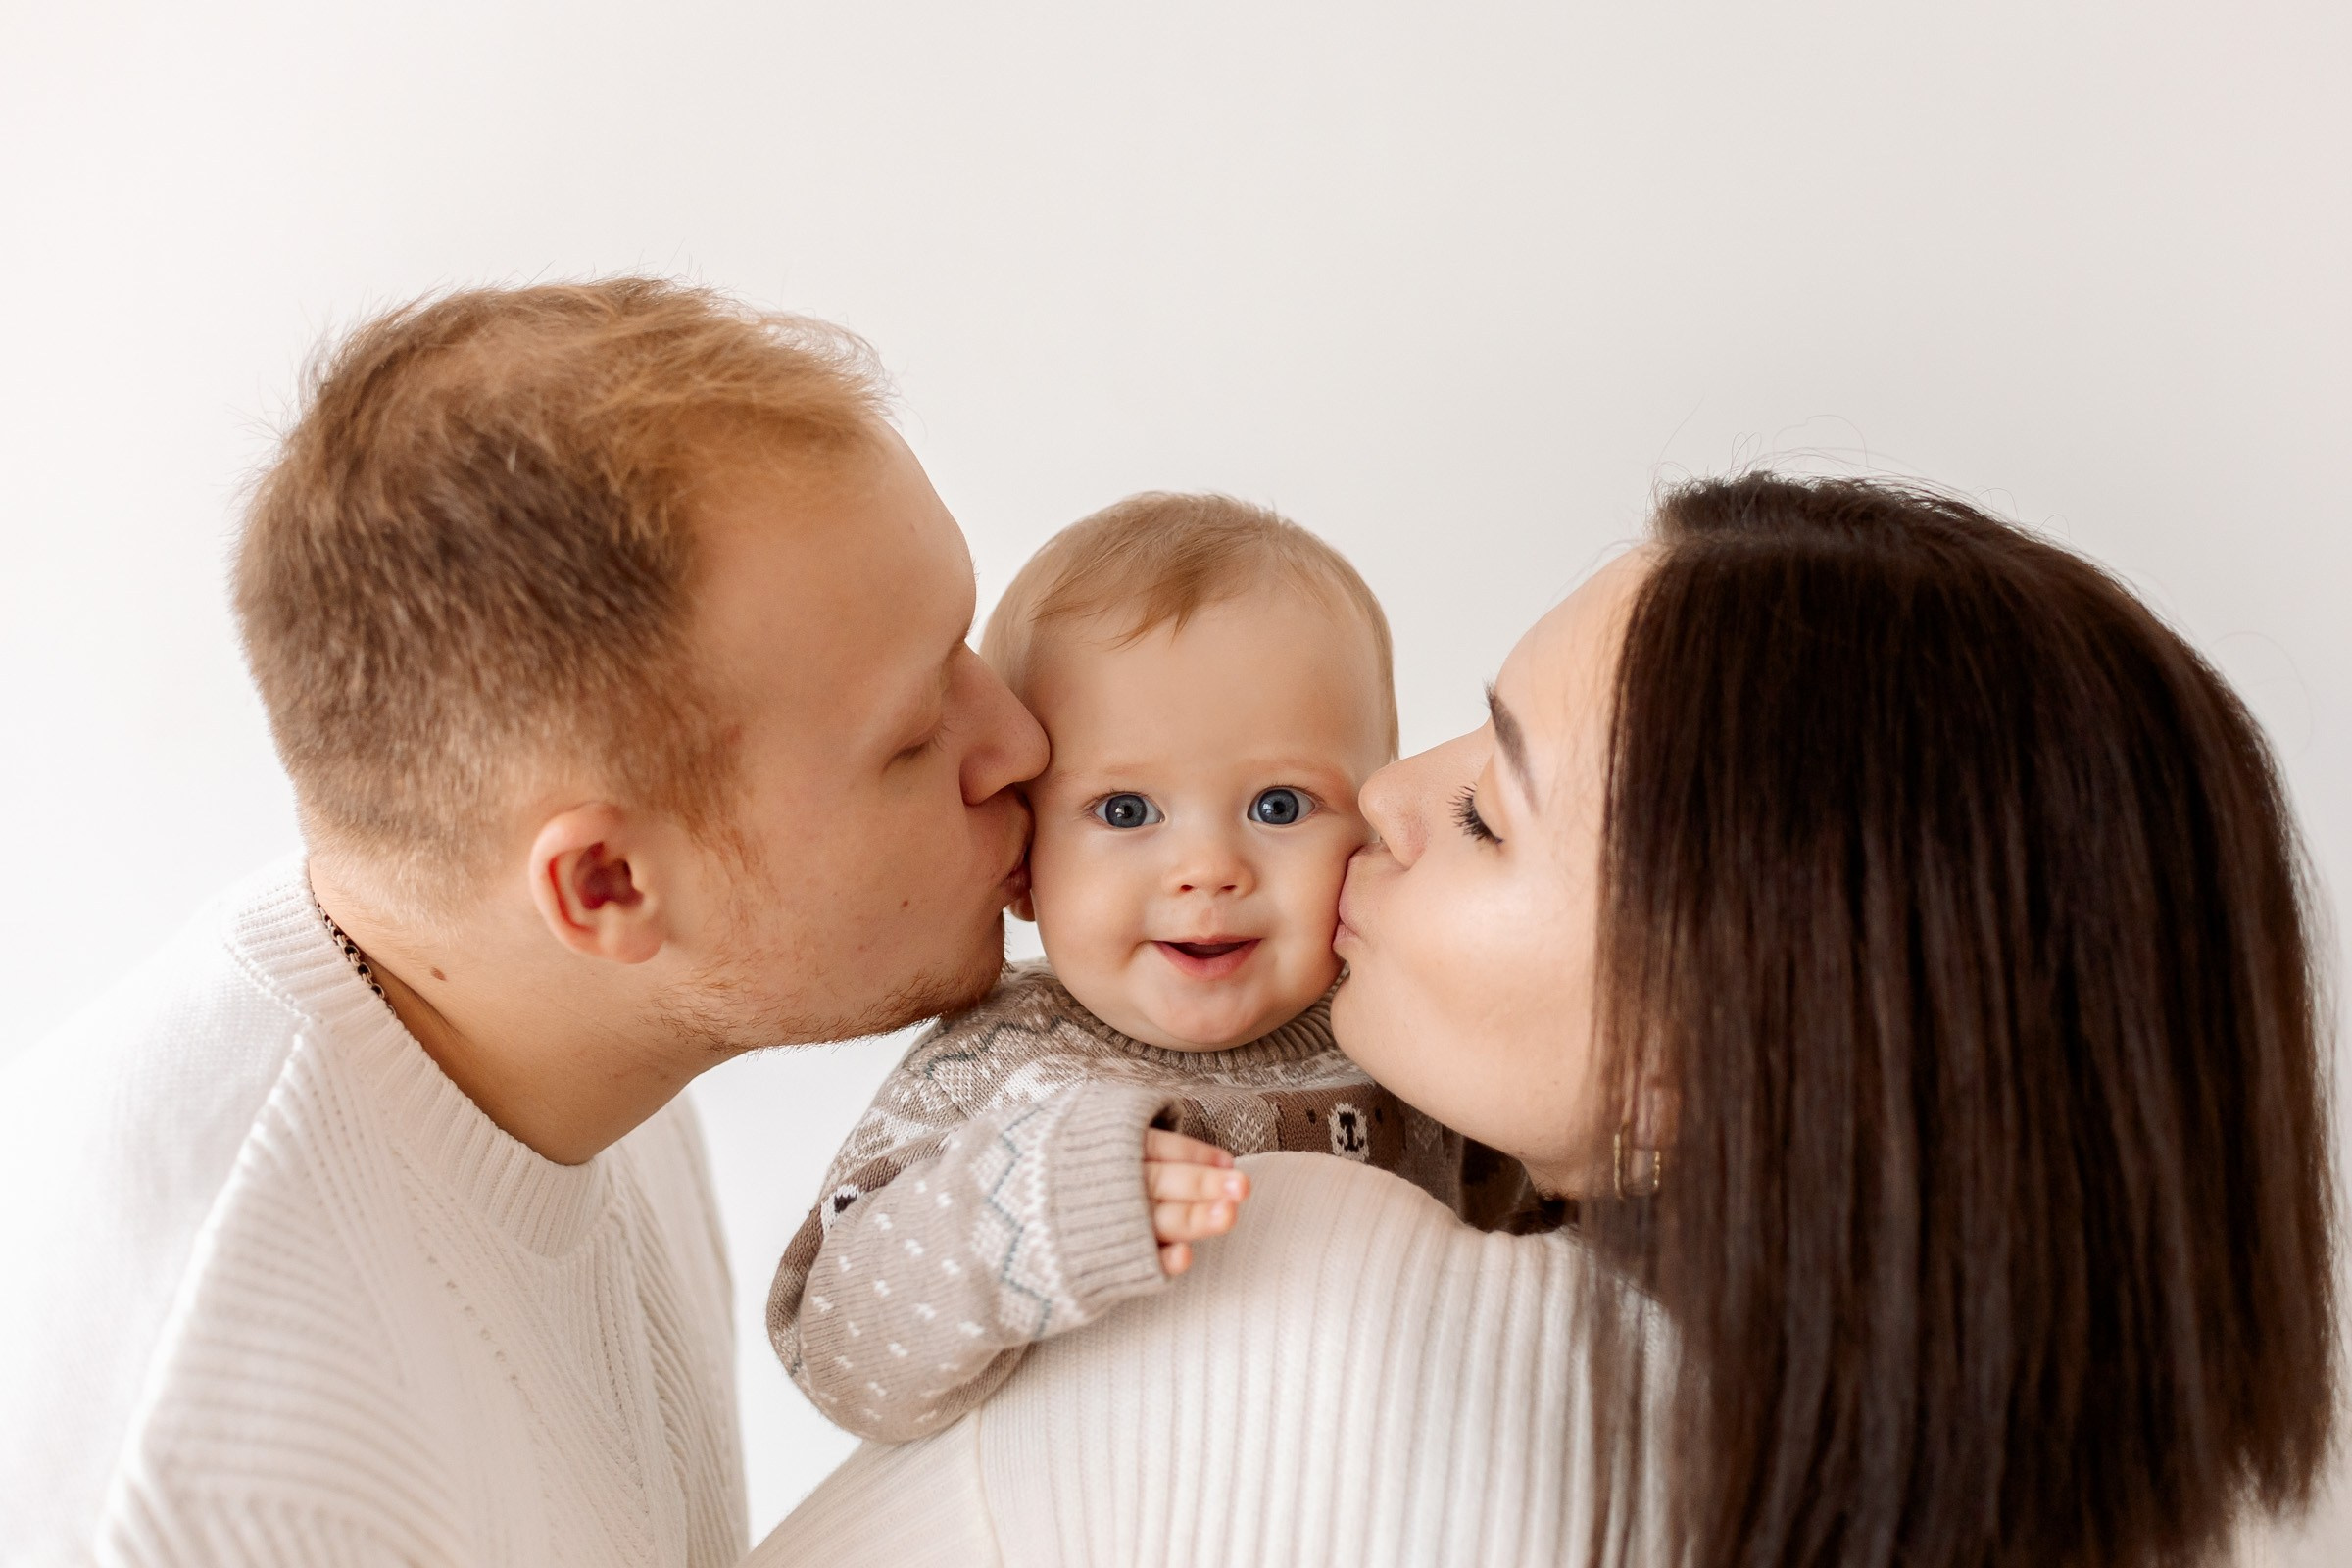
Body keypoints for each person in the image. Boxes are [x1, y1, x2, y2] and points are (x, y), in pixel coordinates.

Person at [760, 473, 2336, 1567]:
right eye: (1121, 808)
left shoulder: (1308, 1302)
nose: (1386, 802)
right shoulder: (2185, 1502)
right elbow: (844, 1327)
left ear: (1733, 1047)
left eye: (1489, 812)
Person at [0, 279, 1048, 1565]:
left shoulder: (574, 1044)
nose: (1020, 741)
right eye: (915, 735)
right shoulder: (220, 1477)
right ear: (606, 886)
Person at [767, 494, 1529, 1444]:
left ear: (1374, 823)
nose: (1207, 868)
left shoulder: (1406, 1032)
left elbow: (1553, 1261)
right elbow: (833, 1352)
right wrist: (1023, 1217)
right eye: (1126, 811)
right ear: (1024, 861)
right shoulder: (994, 1067)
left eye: (1280, 806)